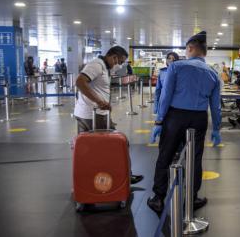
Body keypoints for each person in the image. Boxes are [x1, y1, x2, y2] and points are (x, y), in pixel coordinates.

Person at [148, 31, 222, 214]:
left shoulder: (176, 67)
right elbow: (216, 106)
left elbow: (165, 97)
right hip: (199, 118)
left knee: (165, 155)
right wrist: (217, 129)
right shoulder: (213, 73)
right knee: (195, 159)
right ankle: (191, 198)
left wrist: (158, 122)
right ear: (204, 52)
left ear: (190, 48)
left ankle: (158, 198)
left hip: (175, 117)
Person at [73, 45, 144, 185]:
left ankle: (90, 180)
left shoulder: (105, 67)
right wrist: (99, 101)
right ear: (114, 57)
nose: (120, 65)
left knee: (90, 149)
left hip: (94, 113)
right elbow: (80, 82)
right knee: (117, 144)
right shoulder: (97, 65)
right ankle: (124, 176)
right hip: (94, 115)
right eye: (120, 61)